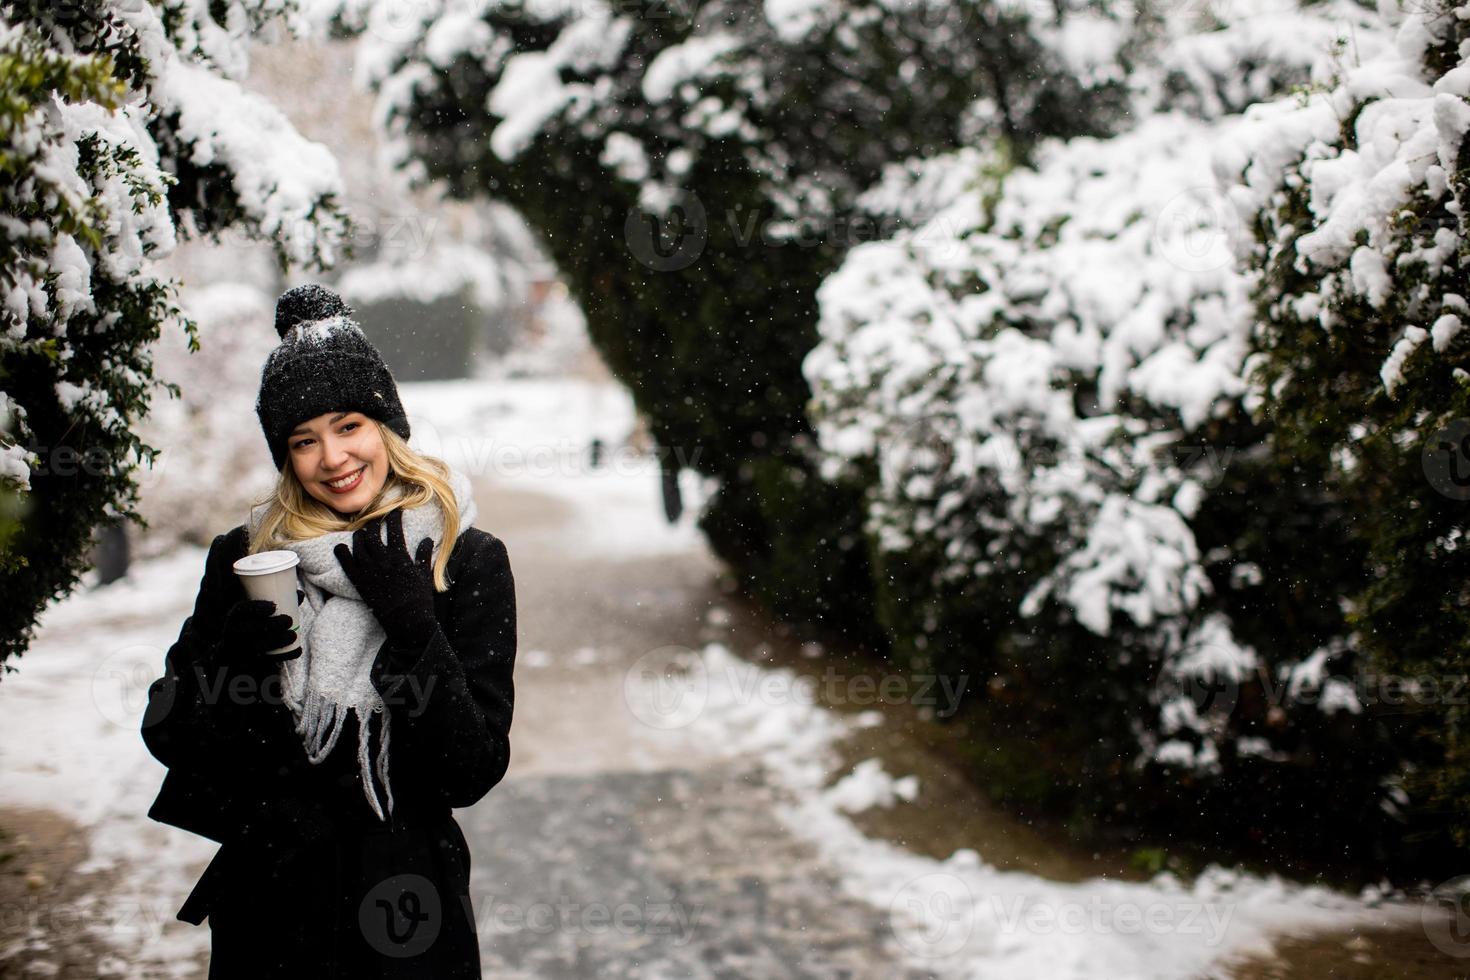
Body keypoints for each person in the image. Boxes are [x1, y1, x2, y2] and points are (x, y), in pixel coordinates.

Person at [139, 283, 516, 979]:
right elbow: (169, 731)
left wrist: (412, 632)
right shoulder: (245, 557)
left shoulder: (465, 559)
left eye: (349, 426)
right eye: (303, 441)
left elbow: (471, 770)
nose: (333, 458)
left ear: (386, 427)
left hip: (409, 907)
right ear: (285, 456)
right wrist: (235, 665)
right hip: (273, 903)